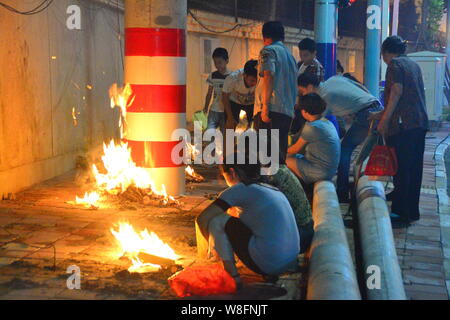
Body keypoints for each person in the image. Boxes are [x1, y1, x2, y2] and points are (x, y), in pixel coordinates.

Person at [196, 154, 300, 287]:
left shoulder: (239, 189)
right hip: (289, 260)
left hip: (270, 263)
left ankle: (232, 277)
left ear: (232, 172)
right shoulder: (269, 188)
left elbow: (203, 218)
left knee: (217, 221)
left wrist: (214, 246)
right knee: (231, 217)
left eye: (224, 176)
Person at [369, 35, 428, 228]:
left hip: (403, 126)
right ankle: (412, 211)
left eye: (383, 55)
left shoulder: (394, 65)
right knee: (414, 169)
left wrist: (384, 121)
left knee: (401, 169)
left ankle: (401, 214)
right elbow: (408, 98)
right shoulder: (413, 65)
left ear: (387, 52)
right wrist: (380, 114)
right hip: (418, 124)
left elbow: (396, 93)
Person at [297, 73, 383, 202]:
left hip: (368, 115)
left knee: (345, 150)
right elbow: (359, 85)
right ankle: (347, 188)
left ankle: (342, 192)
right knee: (349, 149)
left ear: (309, 87)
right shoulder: (333, 80)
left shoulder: (324, 97)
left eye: (302, 91)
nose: (302, 94)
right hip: (373, 106)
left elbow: (314, 121)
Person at [254, 21, 298, 166]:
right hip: (286, 112)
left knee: (265, 156)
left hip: (271, 110)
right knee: (279, 157)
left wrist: (265, 107)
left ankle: (267, 187)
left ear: (265, 37)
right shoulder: (290, 56)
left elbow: (268, 75)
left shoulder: (268, 51)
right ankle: (278, 187)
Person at [286, 93, 340, 186]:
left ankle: (302, 189)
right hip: (329, 170)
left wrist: (275, 152)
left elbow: (295, 149)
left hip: (320, 171)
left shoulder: (312, 127)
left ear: (305, 111)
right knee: (293, 157)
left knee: (285, 161)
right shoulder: (326, 122)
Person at [291, 38, 325, 134]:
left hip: (307, 105)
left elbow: (312, 91)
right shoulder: (300, 64)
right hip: (299, 102)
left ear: (314, 53)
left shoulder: (316, 67)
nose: (303, 58)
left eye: (306, 55)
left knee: (304, 129)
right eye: (301, 55)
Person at [222, 60, 258, 130]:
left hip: (252, 103)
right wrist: (230, 117)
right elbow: (224, 97)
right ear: (244, 75)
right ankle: (230, 140)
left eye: (257, 80)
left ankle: (249, 137)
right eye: (252, 80)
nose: (255, 83)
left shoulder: (262, 78)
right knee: (230, 127)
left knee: (256, 126)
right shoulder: (233, 78)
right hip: (234, 101)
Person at [203, 48, 232, 132]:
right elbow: (209, 93)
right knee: (209, 134)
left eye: (220, 62)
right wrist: (205, 108)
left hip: (226, 111)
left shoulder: (232, 76)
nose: (217, 65)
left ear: (227, 61)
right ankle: (211, 145)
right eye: (215, 63)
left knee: (224, 135)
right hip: (213, 110)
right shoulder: (213, 75)